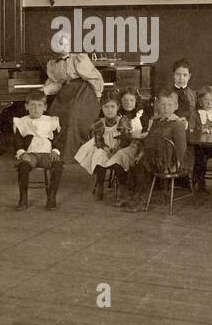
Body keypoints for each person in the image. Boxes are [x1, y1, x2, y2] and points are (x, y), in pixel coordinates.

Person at [120, 88, 187, 213]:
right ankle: (134, 195)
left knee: (142, 166)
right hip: (154, 157)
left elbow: (181, 147)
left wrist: (177, 163)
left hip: (168, 161)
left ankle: (142, 200)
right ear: (158, 105)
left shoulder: (177, 124)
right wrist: (141, 153)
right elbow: (149, 140)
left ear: (176, 106)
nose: (166, 108)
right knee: (135, 163)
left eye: (169, 105)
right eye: (163, 104)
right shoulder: (156, 122)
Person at [42, 32, 105, 161]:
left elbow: (93, 77)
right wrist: (44, 90)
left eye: (64, 43)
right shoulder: (52, 64)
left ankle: (72, 153)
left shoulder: (78, 58)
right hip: (65, 92)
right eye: (59, 44)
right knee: (53, 114)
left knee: (72, 115)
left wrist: (98, 95)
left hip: (83, 92)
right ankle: (56, 150)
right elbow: (57, 83)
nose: (62, 47)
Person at [74, 89, 133, 199]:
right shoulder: (99, 122)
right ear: (101, 107)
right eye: (106, 107)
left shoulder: (123, 120)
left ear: (118, 107)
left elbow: (125, 139)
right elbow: (98, 140)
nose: (109, 110)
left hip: (119, 147)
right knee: (99, 156)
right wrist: (107, 150)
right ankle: (100, 184)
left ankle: (122, 186)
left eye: (112, 107)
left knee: (119, 158)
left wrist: (116, 150)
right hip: (104, 147)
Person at [14, 93, 64, 210]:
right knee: (23, 167)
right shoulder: (22, 122)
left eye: (39, 105)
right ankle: (23, 198)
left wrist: (55, 151)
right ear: (26, 107)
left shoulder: (51, 121)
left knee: (57, 166)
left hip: (47, 154)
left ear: (45, 107)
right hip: (31, 155)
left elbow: (57, 139)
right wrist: (22, 153)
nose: (36, 109)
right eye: (32, 105)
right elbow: (17, 141)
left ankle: (51, 197)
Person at [171, 59, 198, 124]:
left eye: (185, 75)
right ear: (173, 75)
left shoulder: (194, 94)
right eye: (178, 74)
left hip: (190, 127)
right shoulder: (168, 93)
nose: (181, 78)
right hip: (173, 127)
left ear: (189, 76)